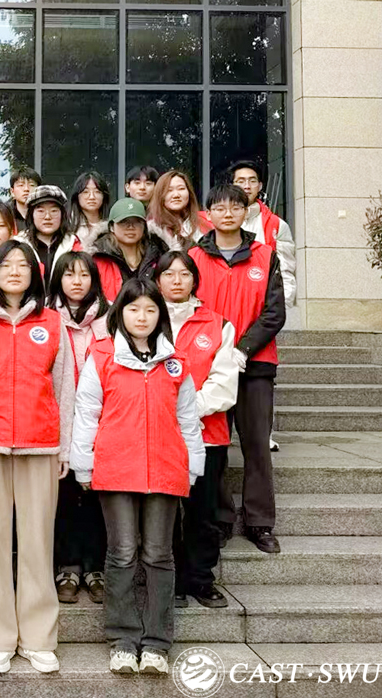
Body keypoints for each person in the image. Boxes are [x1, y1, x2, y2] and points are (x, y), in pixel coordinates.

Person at [70, 278, 206, 675]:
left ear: (159, 315)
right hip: (116, 469)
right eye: (133, 309)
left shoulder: (175, 361)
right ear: (121, 313)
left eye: (149, 309)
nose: (141, 317)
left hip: (165, 467)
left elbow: (188, 419)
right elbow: (86, 414)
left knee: (159, 555)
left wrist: (192, 465)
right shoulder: (102, 355)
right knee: (122, 552)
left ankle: (157, 642)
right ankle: (123, 639)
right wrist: (83, 463)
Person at [0, 239, 74, 675]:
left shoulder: (53, 322)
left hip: (40, 443)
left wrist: (64, 445)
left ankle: (39, 637)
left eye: (24, 264)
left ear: (35, 273)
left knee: (38, 542)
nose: (16, 271)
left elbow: (65, 388)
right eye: (7, 265)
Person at [189, 184, 286, 555]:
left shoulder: (265, 255)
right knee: (214, 444)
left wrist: (242, 349)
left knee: (256, 444)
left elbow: (274, 313)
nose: (227, 213)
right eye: (219, 207)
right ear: (208, 214)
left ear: (247, 211)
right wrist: (217, 353)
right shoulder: (194, 257)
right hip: (207, 366)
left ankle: (260, 522)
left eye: (235, 206)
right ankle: (220, 519)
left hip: (255, 365)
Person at [155, 251, 237, 609]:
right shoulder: (145, 317)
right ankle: (170, 579)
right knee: (164, 512)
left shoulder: (218, 324)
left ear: (195, 280)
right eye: (168, 274)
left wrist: (187, 410)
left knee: (202, 511)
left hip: (207, 434)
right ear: (157, 280)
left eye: (184, 274)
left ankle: (201, 578)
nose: (177, 280)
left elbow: (224, 385)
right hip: (156, 432)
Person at [46, 251, 109, 605]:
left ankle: (95, 566)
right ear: (59, 279)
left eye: (84, 275)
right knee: (66, 496)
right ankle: (68, 565)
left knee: (98, 496)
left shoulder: (110, 318)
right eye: (69, 274)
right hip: (57, 416)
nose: (77, 282)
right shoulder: (46, 318)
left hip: (101, 418)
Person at [229, 160, 297, 310]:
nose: (247, 186)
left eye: (252, 181)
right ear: (232, 186)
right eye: (241, 181)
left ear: (260, 186)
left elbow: (284, 272)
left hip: (262, 309)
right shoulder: (216, 221)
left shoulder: (276, 225)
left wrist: (281, 309)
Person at [90, 198, 169, 301]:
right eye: (123, 222)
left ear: (144, 227)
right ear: (111, 227)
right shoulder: (97, 257)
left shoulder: (160, 254)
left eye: (137, 222)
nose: (130, 227)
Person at [22, 184, 81, 283]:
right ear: (31, 215)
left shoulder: (73, 244)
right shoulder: (19, 245)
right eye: (41, 211)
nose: (47, 217)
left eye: (54, 211)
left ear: (62, 214)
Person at [147, 170, 213, 251]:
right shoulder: (153, 230)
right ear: (160, 195)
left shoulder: (204, 222)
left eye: (181, 189)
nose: (176, 195)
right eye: (169, 190)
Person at [69, 172, 111, 245]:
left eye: (97, 192)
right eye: (86, 192)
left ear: (104, 196)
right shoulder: (67, 225)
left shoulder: (113, 226)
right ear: (77, 196)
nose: (92, 197)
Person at [10, 167, 41, 234]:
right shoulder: (5, 215)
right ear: (12, 192)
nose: (26, 189)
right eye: (21, 185)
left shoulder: (44, 216)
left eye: (31, 185)